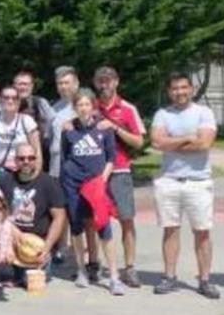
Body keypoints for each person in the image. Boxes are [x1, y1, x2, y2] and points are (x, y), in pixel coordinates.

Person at [149, 73, 220, 298]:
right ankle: (169, 276)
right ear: (169, 92)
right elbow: (157, 142)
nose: (179, 92)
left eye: (183, 88)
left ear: (191, 89)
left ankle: (205, 280)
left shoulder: (204, 112)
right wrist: (188, 138)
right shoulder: (162, 114)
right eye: (174, 89)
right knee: (170, 230)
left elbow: (205, 143)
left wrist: (172, 143)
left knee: (202, 232)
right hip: (169, 180)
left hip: (198, 181)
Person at [62, 89, 123, 295]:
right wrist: (68, 179)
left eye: (87, 104)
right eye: (80, 105)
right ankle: (82, 270)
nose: (84, 108)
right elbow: (65, 158)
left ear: (93, 106)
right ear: (75, 107)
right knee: (77, 227)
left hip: (97, 183)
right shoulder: (68, 130)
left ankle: (114, 276)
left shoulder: (103, 128)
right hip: (73, 184)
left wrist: (102, 180)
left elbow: (111, 158)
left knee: (104, 227)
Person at [92, 66, 145, 288]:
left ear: (116, 82)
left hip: (120, 171)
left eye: (109, 80)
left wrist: (115, 128)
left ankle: (130, 267)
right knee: (96, 221)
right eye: (101, 81)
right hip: (95, 172)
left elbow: (138, 142)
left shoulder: (127, 108)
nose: (105, 84)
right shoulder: (89, 106)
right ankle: (97, 264)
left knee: (126, 220)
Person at [0, 143, 67, 284]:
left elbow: (59, 218)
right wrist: (13, 230)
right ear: (15, 161)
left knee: (32, 281)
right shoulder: (6, 181)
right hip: (11, 241)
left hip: (37, 246)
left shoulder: (49, 183)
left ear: (36, 159)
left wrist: (47, 248)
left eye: (31, 158)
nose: (26, 162)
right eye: (22, 158)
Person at [0, 86, 42, 173]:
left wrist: (37, 172)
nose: (10, 101)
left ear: (18, 101)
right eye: (6, 98)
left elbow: (36, 150)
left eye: (14, 98)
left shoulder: (26, 121)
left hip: (22, 169)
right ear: (0, 100)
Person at [48, 66, 80, 179]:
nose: (63, 86)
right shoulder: (52, 109)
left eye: (67, 83)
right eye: (60, 83)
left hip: (77, 169)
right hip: (55, 170)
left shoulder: (84, 106)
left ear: (76, 84)